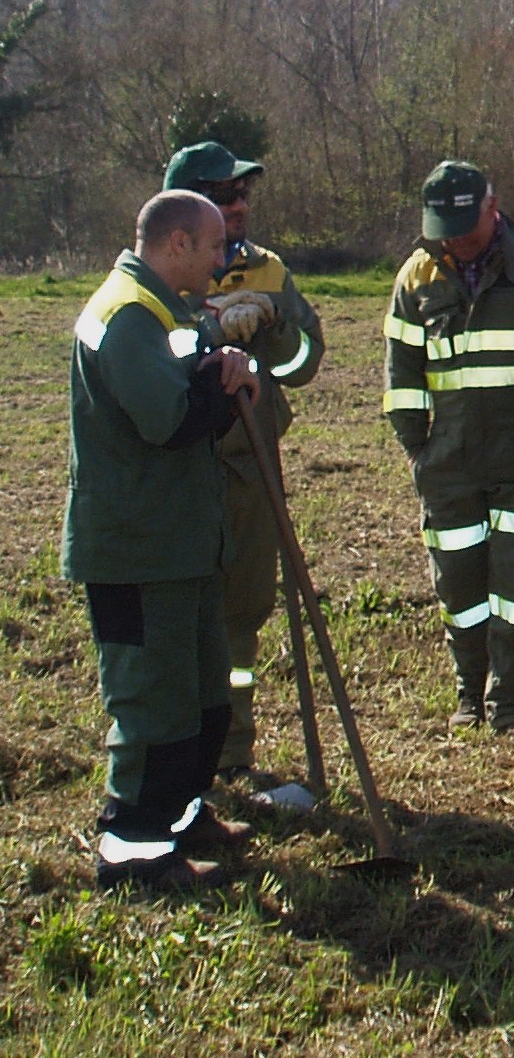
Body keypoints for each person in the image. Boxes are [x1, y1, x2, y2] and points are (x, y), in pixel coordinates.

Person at [64, 190, 261, 889]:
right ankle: (134, 855)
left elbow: (194, 378)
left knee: (203, 697)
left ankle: (183, 815)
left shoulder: (167, 310)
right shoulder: (127, 317)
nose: (221, 259)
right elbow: (170, 421)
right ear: (178, 243)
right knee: (153, 704)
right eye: (213, 246)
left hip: (181, 543)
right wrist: (222, 385)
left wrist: (225, 366)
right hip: (138, 551)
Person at [383, 161, 514, 744]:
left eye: (464, 227)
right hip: (448, 464)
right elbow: (402, 374)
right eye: (442, 230)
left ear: (492, 208)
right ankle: (470, 697)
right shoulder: (416, 275)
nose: (454, 240)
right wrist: (417, 451)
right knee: (460, 588)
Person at [163, 140, 326, 788]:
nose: (239, 206)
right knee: (186, 612)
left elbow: (305, 363)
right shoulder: (161, 272)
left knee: (245, 609)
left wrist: (274, 324)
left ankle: (231, 754)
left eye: (242, 194)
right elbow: (153, 371)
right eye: (224, 195)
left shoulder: (268, 270)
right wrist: (209, 332)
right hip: (184, 468)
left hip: (253, 466)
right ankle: (181, 755)